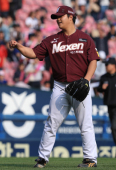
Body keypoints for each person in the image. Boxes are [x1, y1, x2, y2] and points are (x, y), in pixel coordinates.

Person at [9, 6, 99, 168]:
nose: (57, 19)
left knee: (85, 124)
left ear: (71, 17)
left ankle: (90, 159)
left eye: (60, 16)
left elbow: (93, 60)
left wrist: (86, 80)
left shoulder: (85, 38)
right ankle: (42, 158)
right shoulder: (52, 40)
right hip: (60, 86)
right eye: (56, 17)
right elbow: (33, 53)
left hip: (80, 84)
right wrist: (19, 46)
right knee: (51, 123)